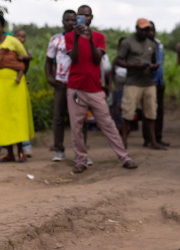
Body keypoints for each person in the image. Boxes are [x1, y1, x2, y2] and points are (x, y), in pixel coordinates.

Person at [65, 4, 137, 173]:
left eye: (87, 15)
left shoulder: (98, 37)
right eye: (81, 16)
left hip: (95, 89)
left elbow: (97, 60)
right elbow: (73, 59)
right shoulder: (69, 36)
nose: (84, 18)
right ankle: (81, 160)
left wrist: (88, 39)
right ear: (77, 18)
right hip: (75, 88)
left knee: (108, 124)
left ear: (91, 18)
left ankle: (124, 157)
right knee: (76, 127)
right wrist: (76, 38)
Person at [0, 14, 34, 163]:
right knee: (2, 119)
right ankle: (9, 153)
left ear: (2, 28)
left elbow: (25, 58)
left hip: (15, 85)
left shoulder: (13, 41)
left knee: (16, 118)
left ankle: (20, 152)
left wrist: (22, 75)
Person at [46, 9, 89, 162]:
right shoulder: (56, 39)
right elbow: (49, 61)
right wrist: (50, 78)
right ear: (62, 21)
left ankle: (82, 152)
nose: (70, 23)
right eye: (67, 20)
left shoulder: (84, 37)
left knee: (80, 119)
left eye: (73, 20)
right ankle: (58, 149)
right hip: (61, 83)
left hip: (78, 84)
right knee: (58, 117)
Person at [116, 18, 164, 150]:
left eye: (147, 29)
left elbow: (153, 60)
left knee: (151, 113)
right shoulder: (127, 42)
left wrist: (153, 67)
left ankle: (153, 142)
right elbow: (118, 60)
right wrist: (133, 66)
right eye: (143, 29)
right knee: (127, 113)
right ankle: (123, 142)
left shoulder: (152, 44)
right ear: (137, 28)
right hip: (133, 82)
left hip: (149, 82)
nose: (145, 32)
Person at [142, 20, 168, 148]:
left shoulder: (159, 44)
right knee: (148, 111)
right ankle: (147, 139)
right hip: (147, 82)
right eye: (148, 30)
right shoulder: (143, 45)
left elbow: (160, 64)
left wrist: (161, 80)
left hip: (159, 82)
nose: (151, 33)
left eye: (152, 30)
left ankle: (158, 137)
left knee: (159, 111)